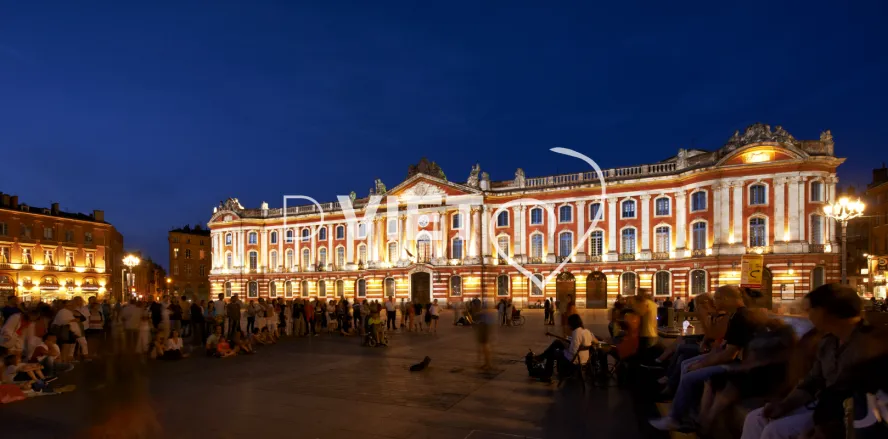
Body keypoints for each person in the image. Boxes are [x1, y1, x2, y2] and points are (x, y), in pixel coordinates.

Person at [741, 284, 888, 439]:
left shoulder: (872, 343)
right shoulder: (828, 342)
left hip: (850, 414)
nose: (808, 315)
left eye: (810, 310)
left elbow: (863, 395)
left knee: (775, 431)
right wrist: (785, 405)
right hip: (823, 406)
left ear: (825, 311)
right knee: (756, 419)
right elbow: (812, 381)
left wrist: (823, 425)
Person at [650, 285, 763, 431]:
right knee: (686, 365)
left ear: (726, 299)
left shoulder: (740, 317)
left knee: (690, 375)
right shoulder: (737, 315)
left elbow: (730, 354)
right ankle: (685, 412)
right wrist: (705, 359)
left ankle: (676, 417)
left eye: (716, 298)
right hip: (736, 361)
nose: (715, 302)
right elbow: (725, 346)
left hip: (740, 365)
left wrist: (702, 364)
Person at [535, 314, 595, 383]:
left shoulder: (576, 332)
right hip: (585, 359)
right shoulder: (586, 331)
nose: (568, 326)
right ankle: (542, 357)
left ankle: (546, 375)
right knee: (557, 343)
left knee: (552, 353)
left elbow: (573, 351)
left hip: (574, 360)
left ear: (572, 324)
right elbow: (594, 340)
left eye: (568, 324)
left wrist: (564, 345)